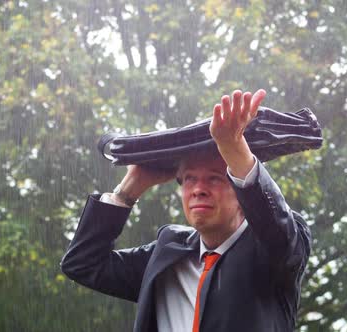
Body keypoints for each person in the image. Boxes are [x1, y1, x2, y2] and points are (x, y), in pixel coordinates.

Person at [60, 89, 312, 332]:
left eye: (215, 179)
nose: (198, 189)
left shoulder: (276, 250)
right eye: (190, 179)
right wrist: (128, 190)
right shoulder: (168, 251)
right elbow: (83, 264)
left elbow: (274, 223)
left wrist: (234, 148)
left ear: (240, 189)